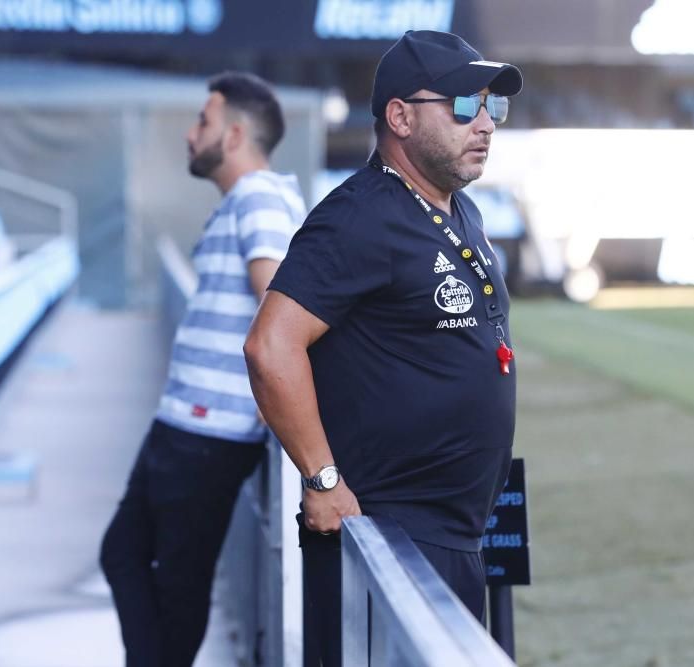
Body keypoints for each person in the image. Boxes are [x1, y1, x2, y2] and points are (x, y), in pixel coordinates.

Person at [244, 30, 523, 666]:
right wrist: (322, 480)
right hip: (388, 540)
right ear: (399, 116)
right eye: (462, 105)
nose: (484, 124)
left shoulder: (459, 209)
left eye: (493, 107)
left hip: (451, 536)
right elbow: (271, 346)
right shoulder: (359, 216)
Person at [100, 71, 305, 667]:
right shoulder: (247, 200)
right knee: (128, 556)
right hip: (187, 423)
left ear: (236, 134)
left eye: (204, 122)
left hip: (209, 429)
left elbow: (279, 307)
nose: (192, 135)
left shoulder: (262, 198)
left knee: (174, 583)